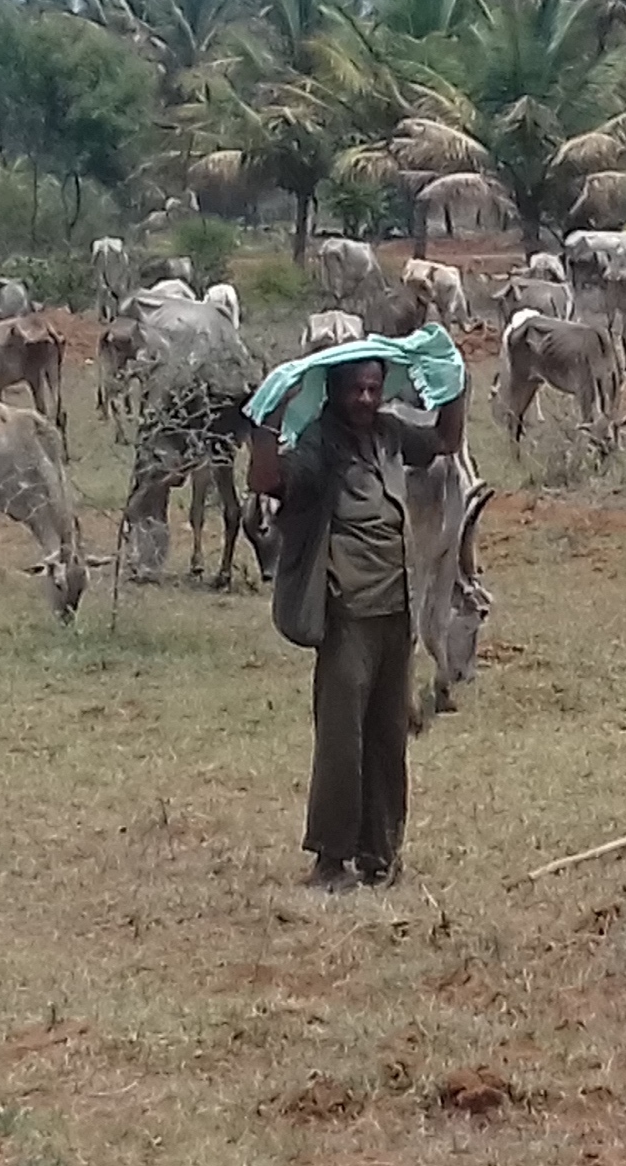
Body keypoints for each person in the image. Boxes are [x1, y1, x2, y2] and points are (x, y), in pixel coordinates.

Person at [243, 325, 468, 891]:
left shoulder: (389, 434)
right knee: (343, 742)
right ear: (334, 392)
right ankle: (329, 860)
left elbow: (442, 440)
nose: (366, 400)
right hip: (347, 615)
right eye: (356, 391)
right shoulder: (321, 445)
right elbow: (268, 480)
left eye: (374, 388)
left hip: (396, 615)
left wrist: (454, 387)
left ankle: (381, 854)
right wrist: (268, 422)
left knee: (390, 738)